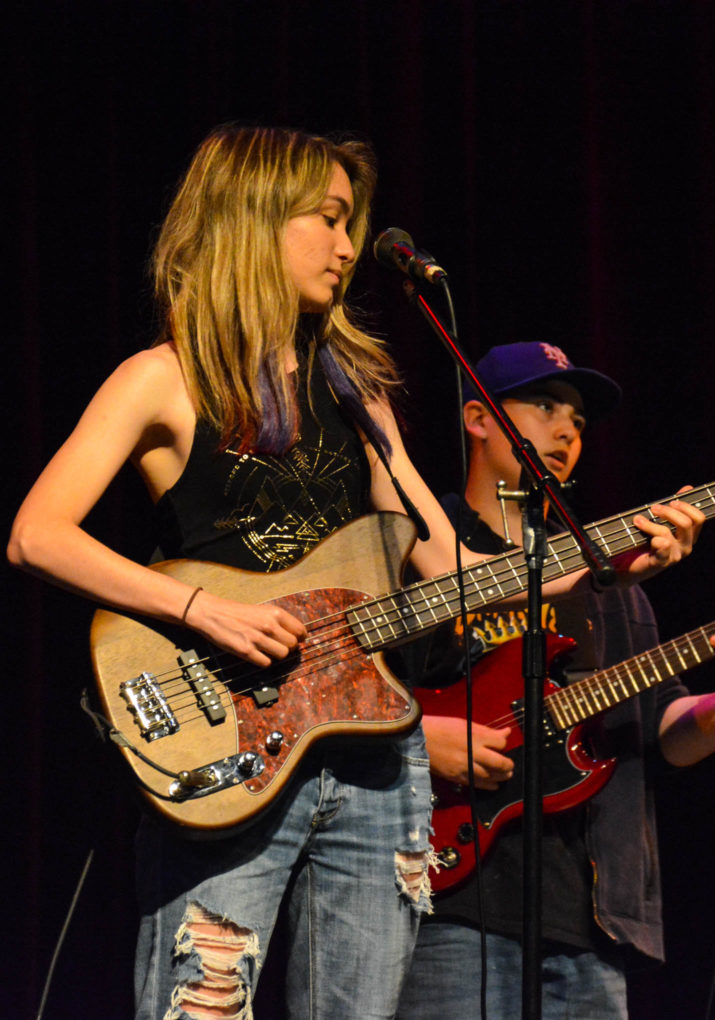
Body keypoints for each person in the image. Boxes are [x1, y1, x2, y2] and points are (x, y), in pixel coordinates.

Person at [7, 126, 701, 1020]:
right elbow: (38, 534)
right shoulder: (163, 379)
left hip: (380, 759)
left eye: (350, 224)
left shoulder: (355, 391)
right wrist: (202, 608)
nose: (346, 247)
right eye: (327, 220)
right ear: (253, 220)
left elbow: (448, 564)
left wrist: (600, 567)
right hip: (230, 737)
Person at [395, 341, 715, 1020]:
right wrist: (419, 738)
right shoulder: (414, 552)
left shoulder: (609, 580)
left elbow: (663, 733)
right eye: (544, 406)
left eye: (577, 419)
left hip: (591, 922)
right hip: (447, 902)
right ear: (478, 419)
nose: (567, 429)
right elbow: (348, 702)